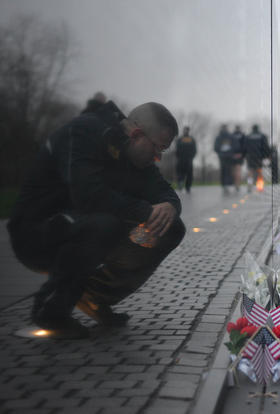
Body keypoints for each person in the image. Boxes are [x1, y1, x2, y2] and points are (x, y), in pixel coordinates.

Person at [7, 101, 185, 338]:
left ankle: (94, 296)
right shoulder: (84, 132)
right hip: (36, 231)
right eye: (158, 148)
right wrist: (146, 212)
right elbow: (88, 196)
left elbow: (163, 190)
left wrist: (170, 207)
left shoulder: (137, 157)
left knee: (170, 228)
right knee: (105, 225)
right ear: (137, 133)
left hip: (85, 225)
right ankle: (52, 309)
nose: (158, 157)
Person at [244, 124, 270, 192]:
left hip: (250, 156)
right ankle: (260, 187)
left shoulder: (248, 136)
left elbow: (244, 147)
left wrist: (244, 155)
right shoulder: (262, 136)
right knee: (259, 171)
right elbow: (265, 146)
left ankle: (249, 185)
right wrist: (266, 156)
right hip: (259, 156)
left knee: (250, 171)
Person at [214, 124, 235, 195]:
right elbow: (234, 145)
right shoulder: (229, 136)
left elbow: (216, 147)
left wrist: (220, 152)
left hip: (224, 156)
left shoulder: (220, 137)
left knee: (225, 170)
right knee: (227, 170)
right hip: (226, 156)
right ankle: (226, 184)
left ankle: (225, 184)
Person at [175, 126, 197, 193]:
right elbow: (177, 149)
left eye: (187, 130)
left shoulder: (192, 139)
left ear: (188, 131)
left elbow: (194, 149)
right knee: (180, 173)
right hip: (181, 159)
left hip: (189, 159)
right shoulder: (180, 139)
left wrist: (192, 157)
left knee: (189, 174)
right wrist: (178, 157)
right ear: (183, 131)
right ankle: (180, 184)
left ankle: (188, 187)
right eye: (185, 130)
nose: (186, 131)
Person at [231, 125, 246, 193]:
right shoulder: (243, 135)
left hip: (233, 155)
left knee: (234, 171)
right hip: (240, 155)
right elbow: (244, 145)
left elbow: (230, 145)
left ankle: (235, 184)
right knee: (238, 170)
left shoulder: (232, 135)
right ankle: (238, 184)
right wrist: (243, 154)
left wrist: (231, 154)